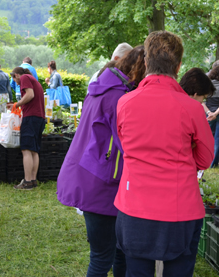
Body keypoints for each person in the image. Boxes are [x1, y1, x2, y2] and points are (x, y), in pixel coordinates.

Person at [114, 31, 214, 277]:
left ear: (146, 63)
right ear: (179, 66)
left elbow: (124, 146)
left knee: (136, 271)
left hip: (134, 206)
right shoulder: (192, 108)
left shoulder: (125, 103)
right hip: (180, 209)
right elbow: (204, 159)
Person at [57, 45, 146, 277]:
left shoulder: (101, 88)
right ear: (139, 73)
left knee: (117, 251)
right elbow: (127, 144)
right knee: (102, 258)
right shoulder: (119, 97)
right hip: (102, 184)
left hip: (88, 176)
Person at [10, 66, 45, 190]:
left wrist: (17, 104)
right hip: (39, 118)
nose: (15, 81)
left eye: (14, 78)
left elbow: (30, 94)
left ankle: (27, 181)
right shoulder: (32, 78)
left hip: (31, 117)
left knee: (26, 150)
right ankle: (33, 180)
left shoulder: (24, 77)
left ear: (16, 75)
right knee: (34, 150)